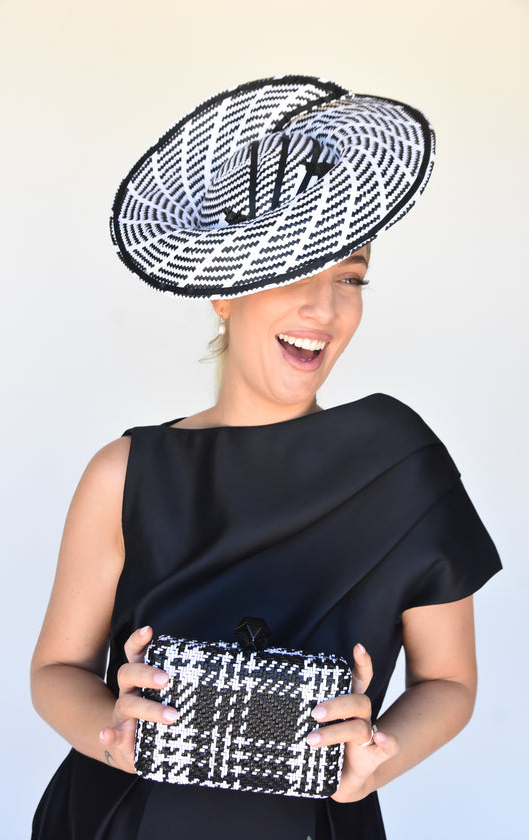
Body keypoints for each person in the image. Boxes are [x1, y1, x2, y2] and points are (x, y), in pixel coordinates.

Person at [30, 76, 501, 839]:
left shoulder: (403, 467)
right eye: (294, 270)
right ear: (224, 290)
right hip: (124, 819)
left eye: (349, 277)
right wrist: (110, 732)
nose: (325, 308)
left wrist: (380, 755)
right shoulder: (124, 473)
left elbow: (449, 680)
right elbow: (55, 672)